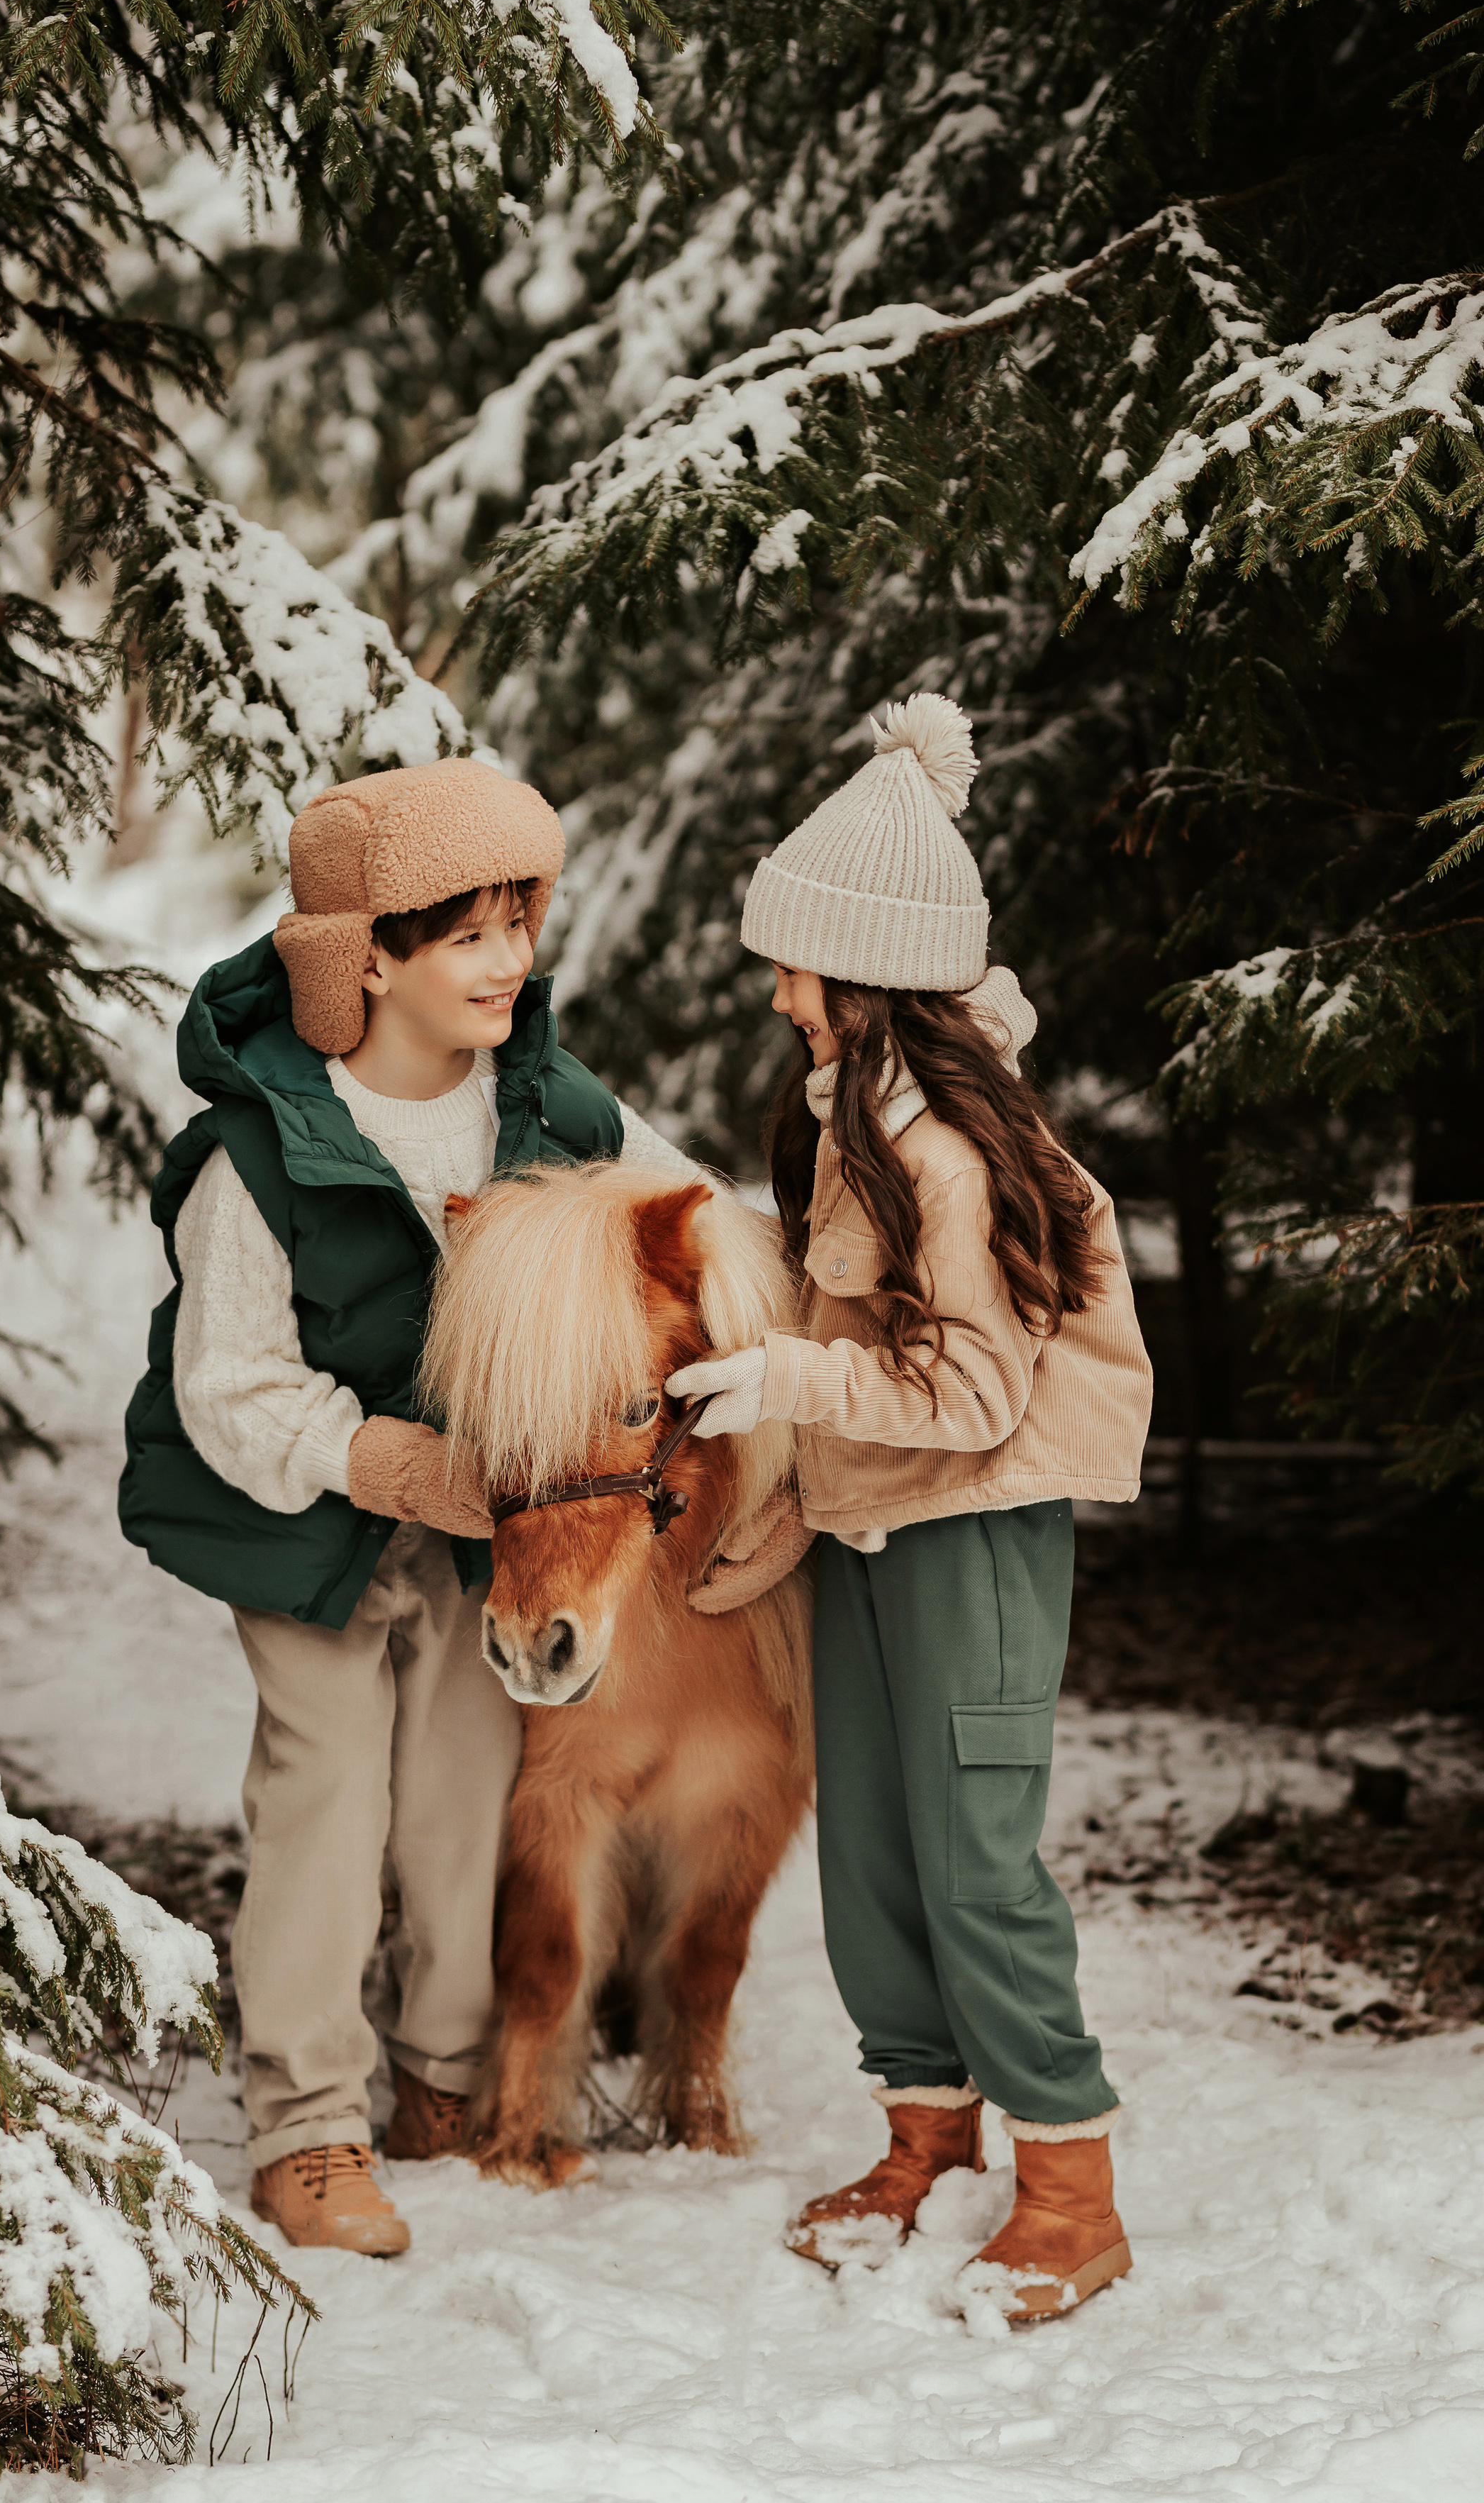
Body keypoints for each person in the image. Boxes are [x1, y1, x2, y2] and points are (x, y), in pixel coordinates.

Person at [118, 758, 747, 2259]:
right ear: (368, 958)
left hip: (490, 1540)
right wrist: (389, 1464)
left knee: (472, 1801)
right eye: (464, 934)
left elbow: (695, 1221)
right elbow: (230, 1386)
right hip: (305, 1521)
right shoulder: (257, 1151)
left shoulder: (541, 1099)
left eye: (520, 925)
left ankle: (443, 2075)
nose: (505, 963)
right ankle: (308, 2125)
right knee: (327, 1805)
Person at [666, 692, 1154, 2325]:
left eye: (799, 969)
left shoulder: (951, 1155)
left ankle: (1070, 2193)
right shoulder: (843, 1124)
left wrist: (788, 1392)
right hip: (875, 1521)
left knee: (970, 1860)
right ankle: (924, 2137)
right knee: (870, 1854)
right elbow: (843, 1351)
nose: (781, 995)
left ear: (870, 976)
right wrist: (778, 1499)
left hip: (976, 1529)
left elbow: (968, 1398)